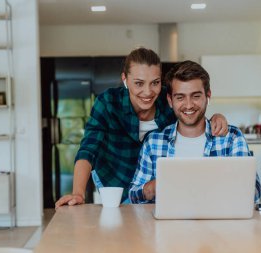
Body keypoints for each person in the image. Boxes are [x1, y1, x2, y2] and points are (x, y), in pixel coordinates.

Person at [55, 48, 229, 209]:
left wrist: (215, 118)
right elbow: (88, 149)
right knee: (120, 226)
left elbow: (190, 113)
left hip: (150, 183)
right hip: (114, 176)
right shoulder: (108, 102)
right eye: (139, 83)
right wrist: (78, 193)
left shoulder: (167, 100)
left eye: (155, 83)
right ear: (125, 80)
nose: (148, 92)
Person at [129, 60, 261, 203]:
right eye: (180, 97)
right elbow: (133, 195)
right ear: (170, 101)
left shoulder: (231, 138)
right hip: (167, 224)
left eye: (196, 96)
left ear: (208, 96)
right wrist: (151, 188)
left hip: (218, 224)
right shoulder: (153, 142)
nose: (189, 105)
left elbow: (254, 191)